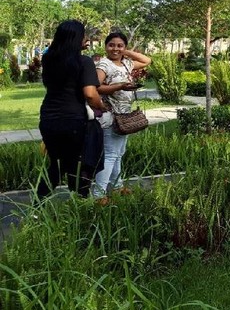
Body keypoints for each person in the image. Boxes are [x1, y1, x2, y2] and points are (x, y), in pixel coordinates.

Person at [37, 20, 108, 199]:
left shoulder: (48, 59)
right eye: (84, 35)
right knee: (80, 166)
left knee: (56, 165)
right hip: (73, 120)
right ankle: (80, 207)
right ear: (76, 38)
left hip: (49, 119)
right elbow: (90, 94)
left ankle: (36, 208)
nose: (87, 39)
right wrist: (102, 106)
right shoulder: (84, 61)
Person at [92, 32, 152, 199]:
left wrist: (125, 53)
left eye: (120, 45)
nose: (115, 49)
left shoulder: (127, 64)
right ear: (105, 47)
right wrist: (119, 86)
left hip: (124, 116)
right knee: (110, 155)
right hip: (111, 116)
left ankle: (117, 186)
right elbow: (96, 87)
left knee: (118, 153)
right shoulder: (104, 65)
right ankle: (99, 195)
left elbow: (147, 61)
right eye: (111, 45)